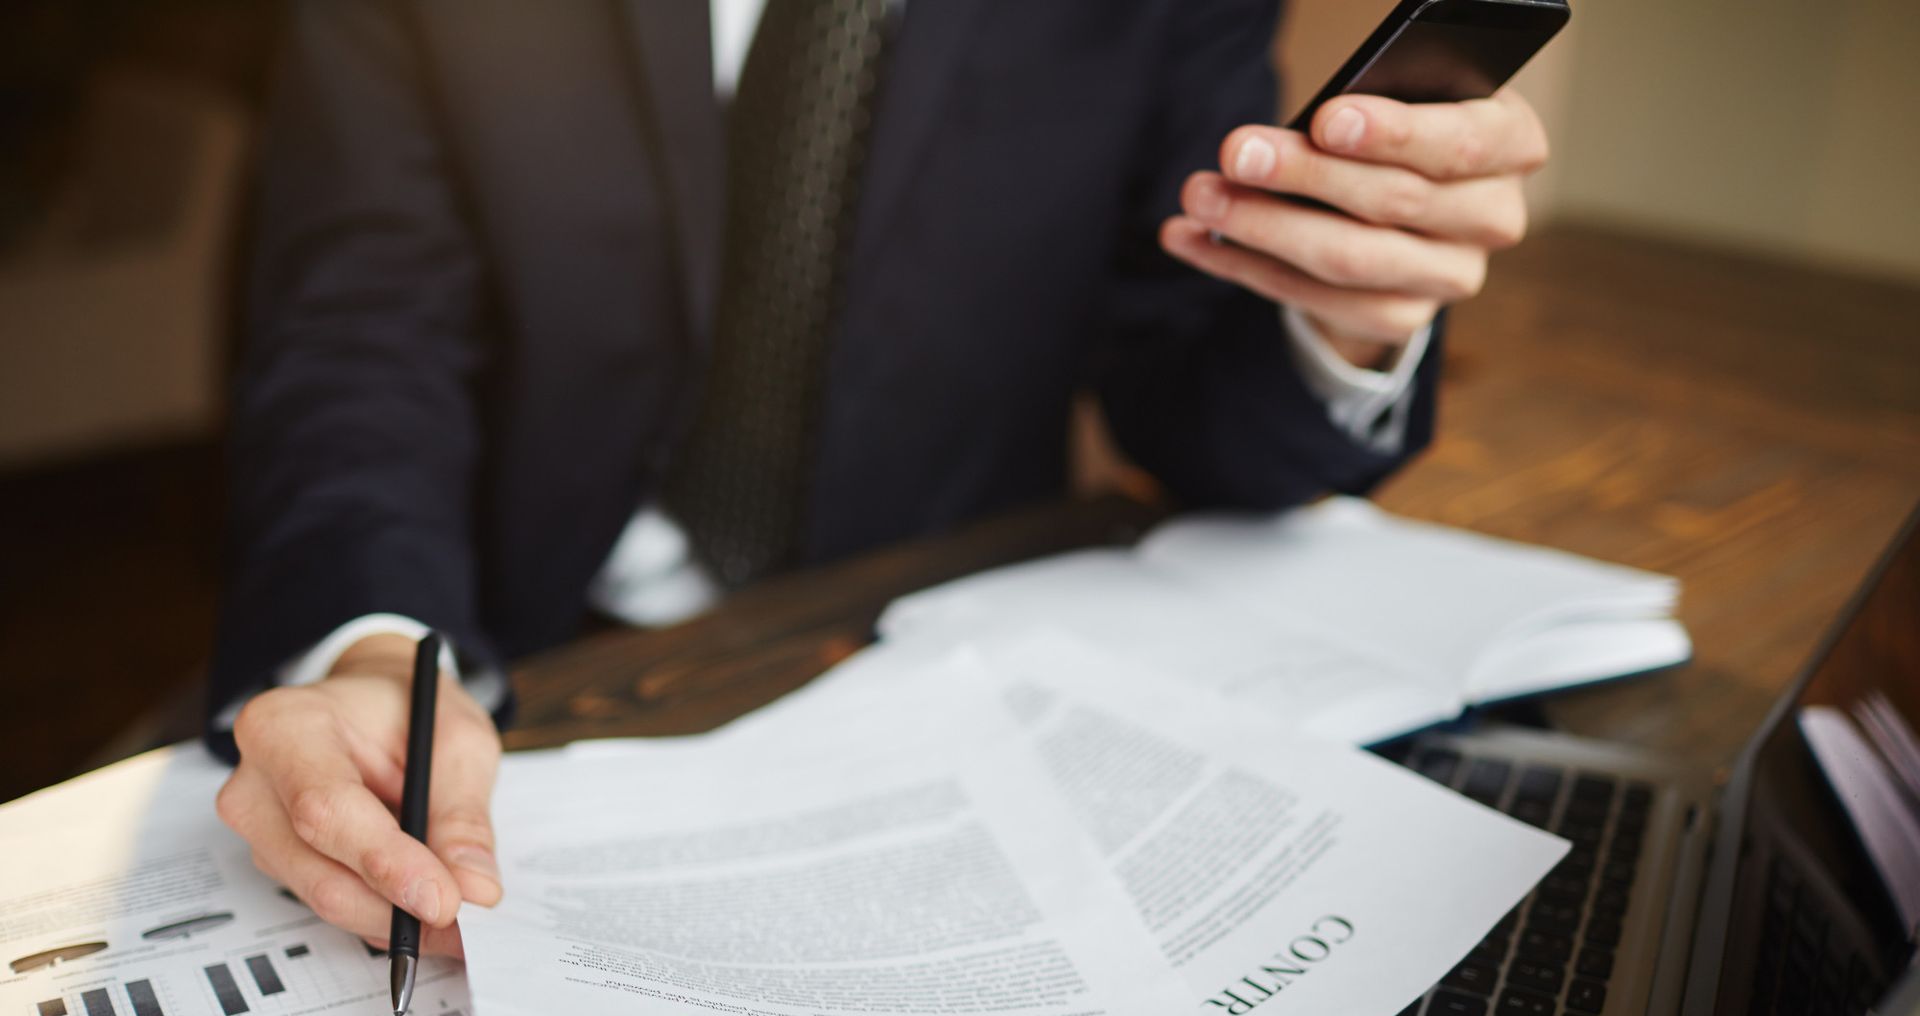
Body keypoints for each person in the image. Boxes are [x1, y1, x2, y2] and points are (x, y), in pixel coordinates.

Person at [211, 0, 1549, 959]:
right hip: (526, 664)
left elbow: (1197, 395)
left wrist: (1347, 321)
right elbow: (359, 328)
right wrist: (378, 643)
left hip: (933, 689)